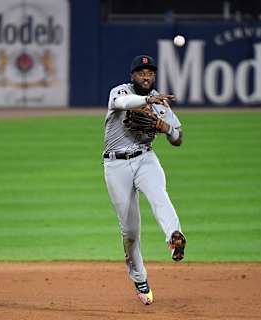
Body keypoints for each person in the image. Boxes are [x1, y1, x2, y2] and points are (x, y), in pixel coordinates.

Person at [102, 54, 186, 306]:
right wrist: (148, 100)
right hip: (115, 165)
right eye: (140, 72)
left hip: (145, 159)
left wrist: (166, 127)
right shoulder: (120, 91)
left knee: (160, 196)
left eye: (150, 72)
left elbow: (178, 138)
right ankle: (140, 279)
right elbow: (125, 103)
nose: (146, 75)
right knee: (129, 231)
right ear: (132, 76)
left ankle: (174, 236)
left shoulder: (162, 104)